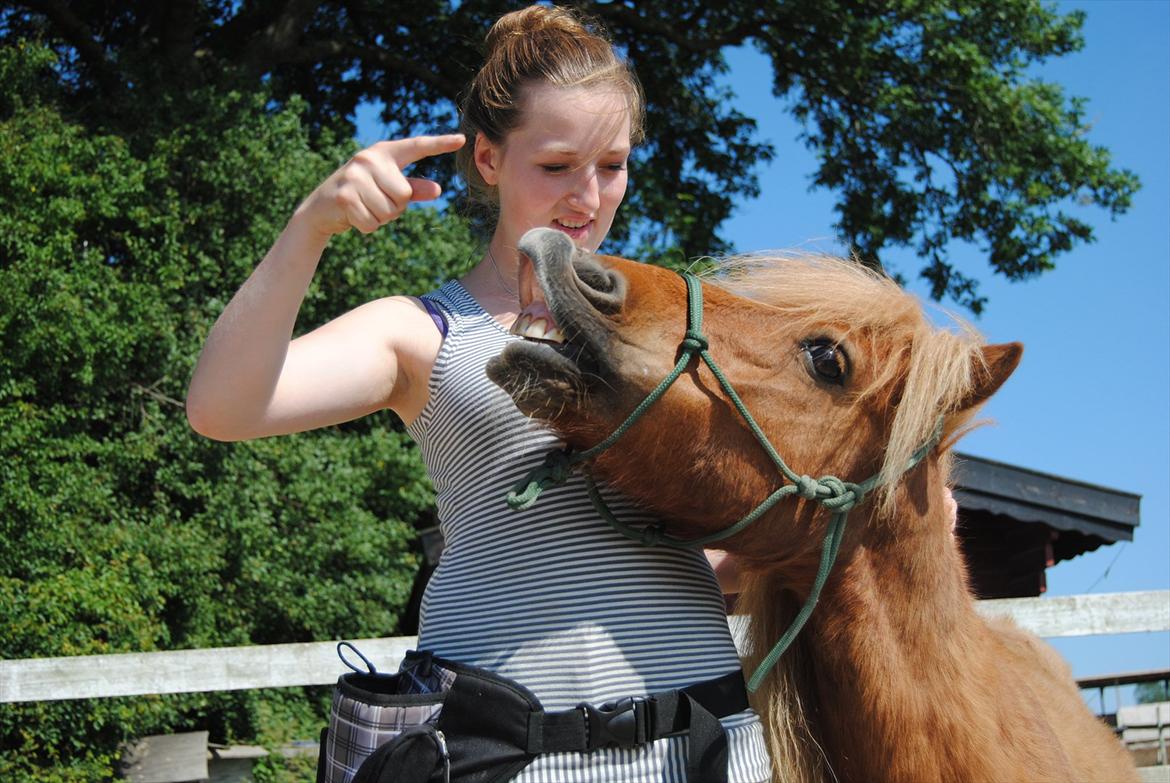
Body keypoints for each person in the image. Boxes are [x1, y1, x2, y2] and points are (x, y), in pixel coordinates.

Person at [186, 6, 771, 781]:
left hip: (711, 749)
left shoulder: (680, 330)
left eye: (614, 164)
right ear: (489, 159)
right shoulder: (424, 333)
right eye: (557, 166)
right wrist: (312, 226)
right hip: (517, 760)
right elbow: (220, 406)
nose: (590, 197)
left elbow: (716, 551)